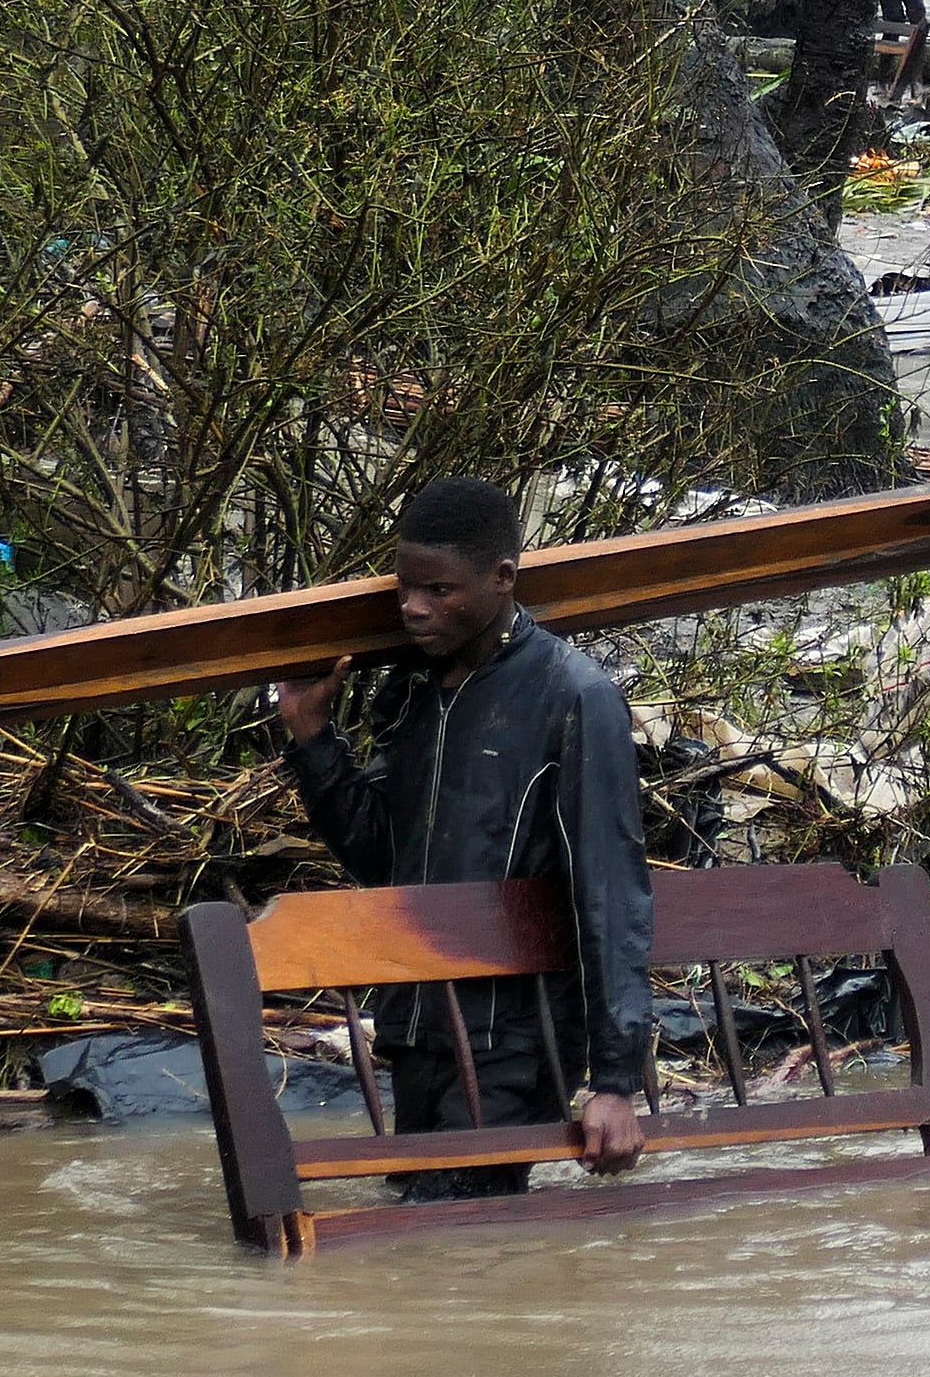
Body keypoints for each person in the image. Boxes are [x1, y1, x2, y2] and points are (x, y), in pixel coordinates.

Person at [272, 475, 654, 1199]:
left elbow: (611, 893)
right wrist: (313, 738)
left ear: (503, 578)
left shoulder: (574, 698)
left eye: (440, 590)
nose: (414, 608)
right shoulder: (415, 692)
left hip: (517, 1034)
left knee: (448, 1222)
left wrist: (614, 1080)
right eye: (405, 587)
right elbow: (383, 859)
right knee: (429, 1236)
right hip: (417, 1023)